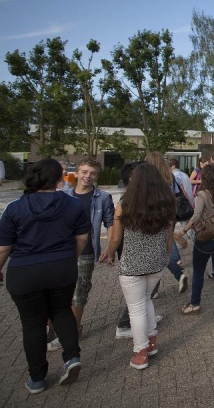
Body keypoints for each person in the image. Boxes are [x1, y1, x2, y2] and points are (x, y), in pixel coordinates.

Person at [0, 158, 90, 393]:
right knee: (61, 311)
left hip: (24, 272)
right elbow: (82, 238)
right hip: (61, 268)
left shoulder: (15, 208)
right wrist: (70, 258)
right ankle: (71, 357)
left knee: (32, 323)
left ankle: (37, 378)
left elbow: (4, 248)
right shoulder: (73, 205)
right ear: (61, 178)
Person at [99, 163, 174, 370]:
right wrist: (165, 256)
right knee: (146, 300)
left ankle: (140, 351)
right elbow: (169, 236)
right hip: (157, 262)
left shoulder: (124, 203)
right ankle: (151, 342)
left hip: (132, 264)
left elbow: (115, 237)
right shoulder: (167, 203)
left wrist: (110, 252)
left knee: (136, 308)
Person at [48, 159, 114, 351]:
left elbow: (109, 224)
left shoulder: (102, 197)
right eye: (84, 172)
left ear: (97, 176)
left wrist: (110, 247)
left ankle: (73, 331)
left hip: (85, 253)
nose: (88, 176)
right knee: (58, 292)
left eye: (92, 173)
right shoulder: (63, 196)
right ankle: (58, 327)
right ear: (76, 173)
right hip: (61, 252)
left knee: (78, 293)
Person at [179, 164, 214, 321]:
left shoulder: (202, 195)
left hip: (205, 239)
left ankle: (195, 304)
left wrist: (182, 231)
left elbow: (196, 217)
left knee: (198, 272)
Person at [145, 152, 188, 295]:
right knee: (164, 246)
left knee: (153, 254)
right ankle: (177, 273)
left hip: (151, 218)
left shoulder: (146, 180)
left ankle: (152, 290)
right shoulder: (170, 178)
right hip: (168, 215)